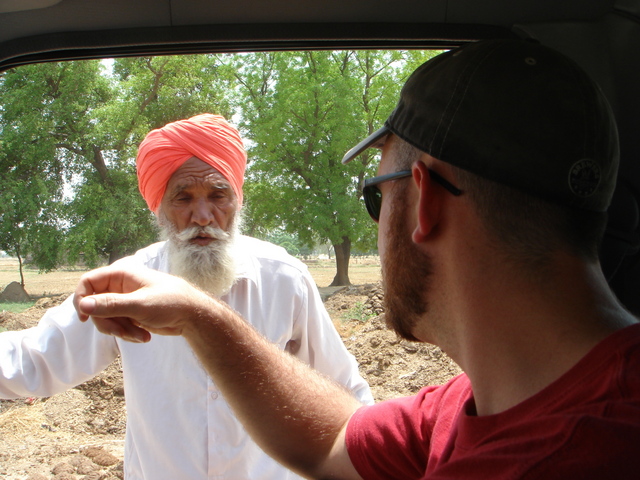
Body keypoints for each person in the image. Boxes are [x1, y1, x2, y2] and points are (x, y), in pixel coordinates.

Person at [73, 39, 640, 479]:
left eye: (378, 194)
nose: (202, 215)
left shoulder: (562, 455)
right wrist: (202, 315)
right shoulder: (481, 401)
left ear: (425, 202)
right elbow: (336, 439)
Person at [0, 114, 373, 479]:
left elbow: (343, 386)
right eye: (183, 198)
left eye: (217, 195)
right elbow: (35, 360)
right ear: (160, 209)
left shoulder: (284, 278)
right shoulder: (129, 282)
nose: (202, 215)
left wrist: (378, 462)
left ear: (237, 201)